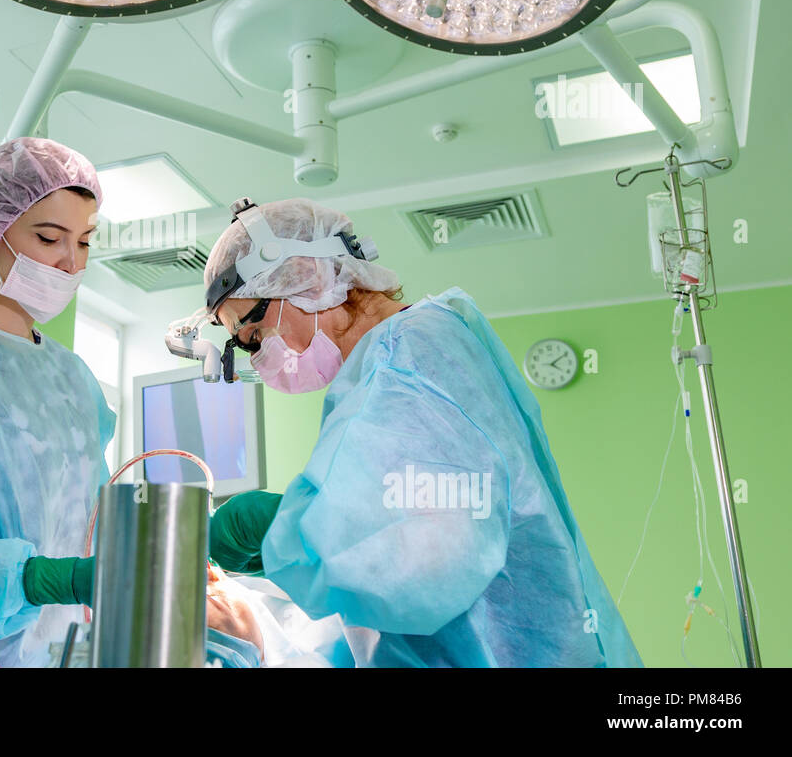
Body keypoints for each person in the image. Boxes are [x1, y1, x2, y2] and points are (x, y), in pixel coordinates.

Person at [201, 198, 643, 667]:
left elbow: (430, 551)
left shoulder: (412, 358)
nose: (259, 357)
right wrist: (294, 554)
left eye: (252, 335)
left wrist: (292, 535)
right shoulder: (384, 372)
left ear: (306, 276)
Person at [0, 137, 266, 667]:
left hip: (66, 649)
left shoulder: (71, 376)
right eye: (50, 237)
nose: (70, 262)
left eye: (84, 242)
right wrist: (36, 579)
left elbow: (86, 517)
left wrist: (160, 550)